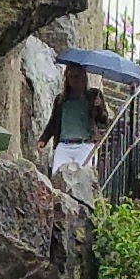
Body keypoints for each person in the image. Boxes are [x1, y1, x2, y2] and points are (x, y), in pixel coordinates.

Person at [47, 64, 103, 195]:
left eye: (77, 77)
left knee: (83, 180)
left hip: (84, 144)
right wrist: (44, 139)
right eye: (70, 77)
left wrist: (99, 107)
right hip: (64, 144)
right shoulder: (61, 99)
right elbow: (54, 122)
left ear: (84, 77)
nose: (74, 80)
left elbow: (102, 121)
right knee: (56, 176)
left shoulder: (93, 96)